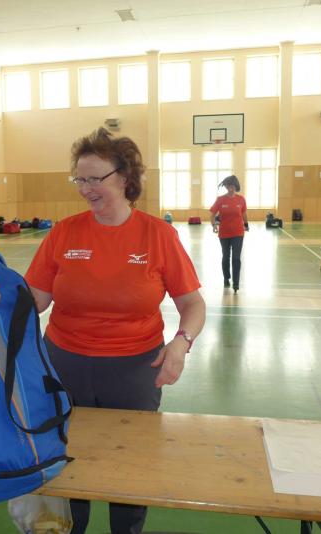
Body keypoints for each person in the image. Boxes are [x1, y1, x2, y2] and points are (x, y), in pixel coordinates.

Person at [25, 128, 206, 534]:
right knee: (69, 462)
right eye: (79, 179)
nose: (85, 189)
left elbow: (193, 304)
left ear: (125, 178)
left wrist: (181, 343)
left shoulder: (158, 235)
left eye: (95, 179)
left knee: (130, 469)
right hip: (64, 364)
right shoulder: (64, 232)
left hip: (134, 368)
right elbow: (34, 299)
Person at [209, 175, 248, 293]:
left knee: (236, 258)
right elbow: (212, 214)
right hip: (224, 233)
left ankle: (236, 283)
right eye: (228, 186)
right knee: (226, 257)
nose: (230, 188)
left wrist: (246, 224)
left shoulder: (241, 199)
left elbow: (244, 213)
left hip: (238, 233)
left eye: (232, 186)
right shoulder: (220, 199)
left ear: (235, 186)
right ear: (226, 186)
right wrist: (214, 225)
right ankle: (226, 277)